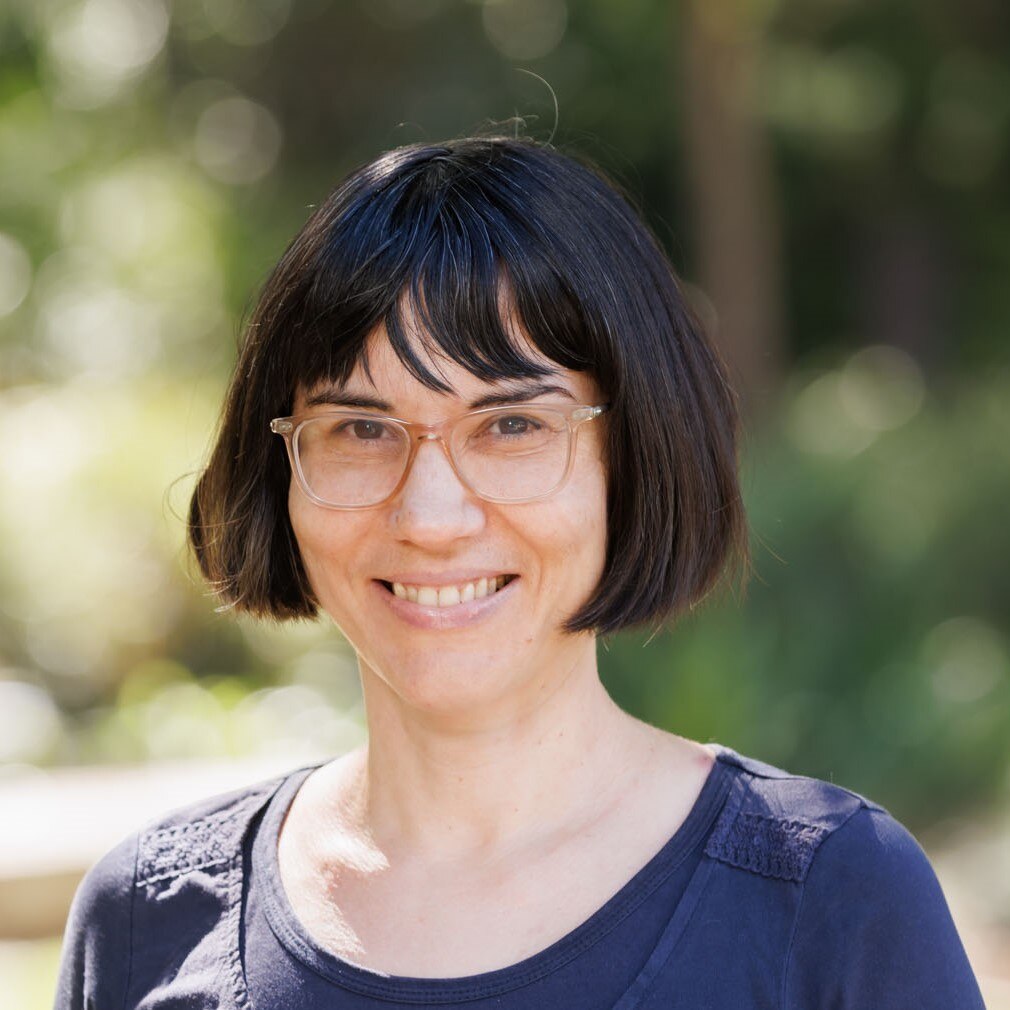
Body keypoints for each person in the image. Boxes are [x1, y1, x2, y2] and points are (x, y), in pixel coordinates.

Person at [54, 136, 984, 1009]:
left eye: (511, 427)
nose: (429, 518)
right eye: (362, 430)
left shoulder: (831, 902)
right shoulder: (146, 920)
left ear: (638, 454)